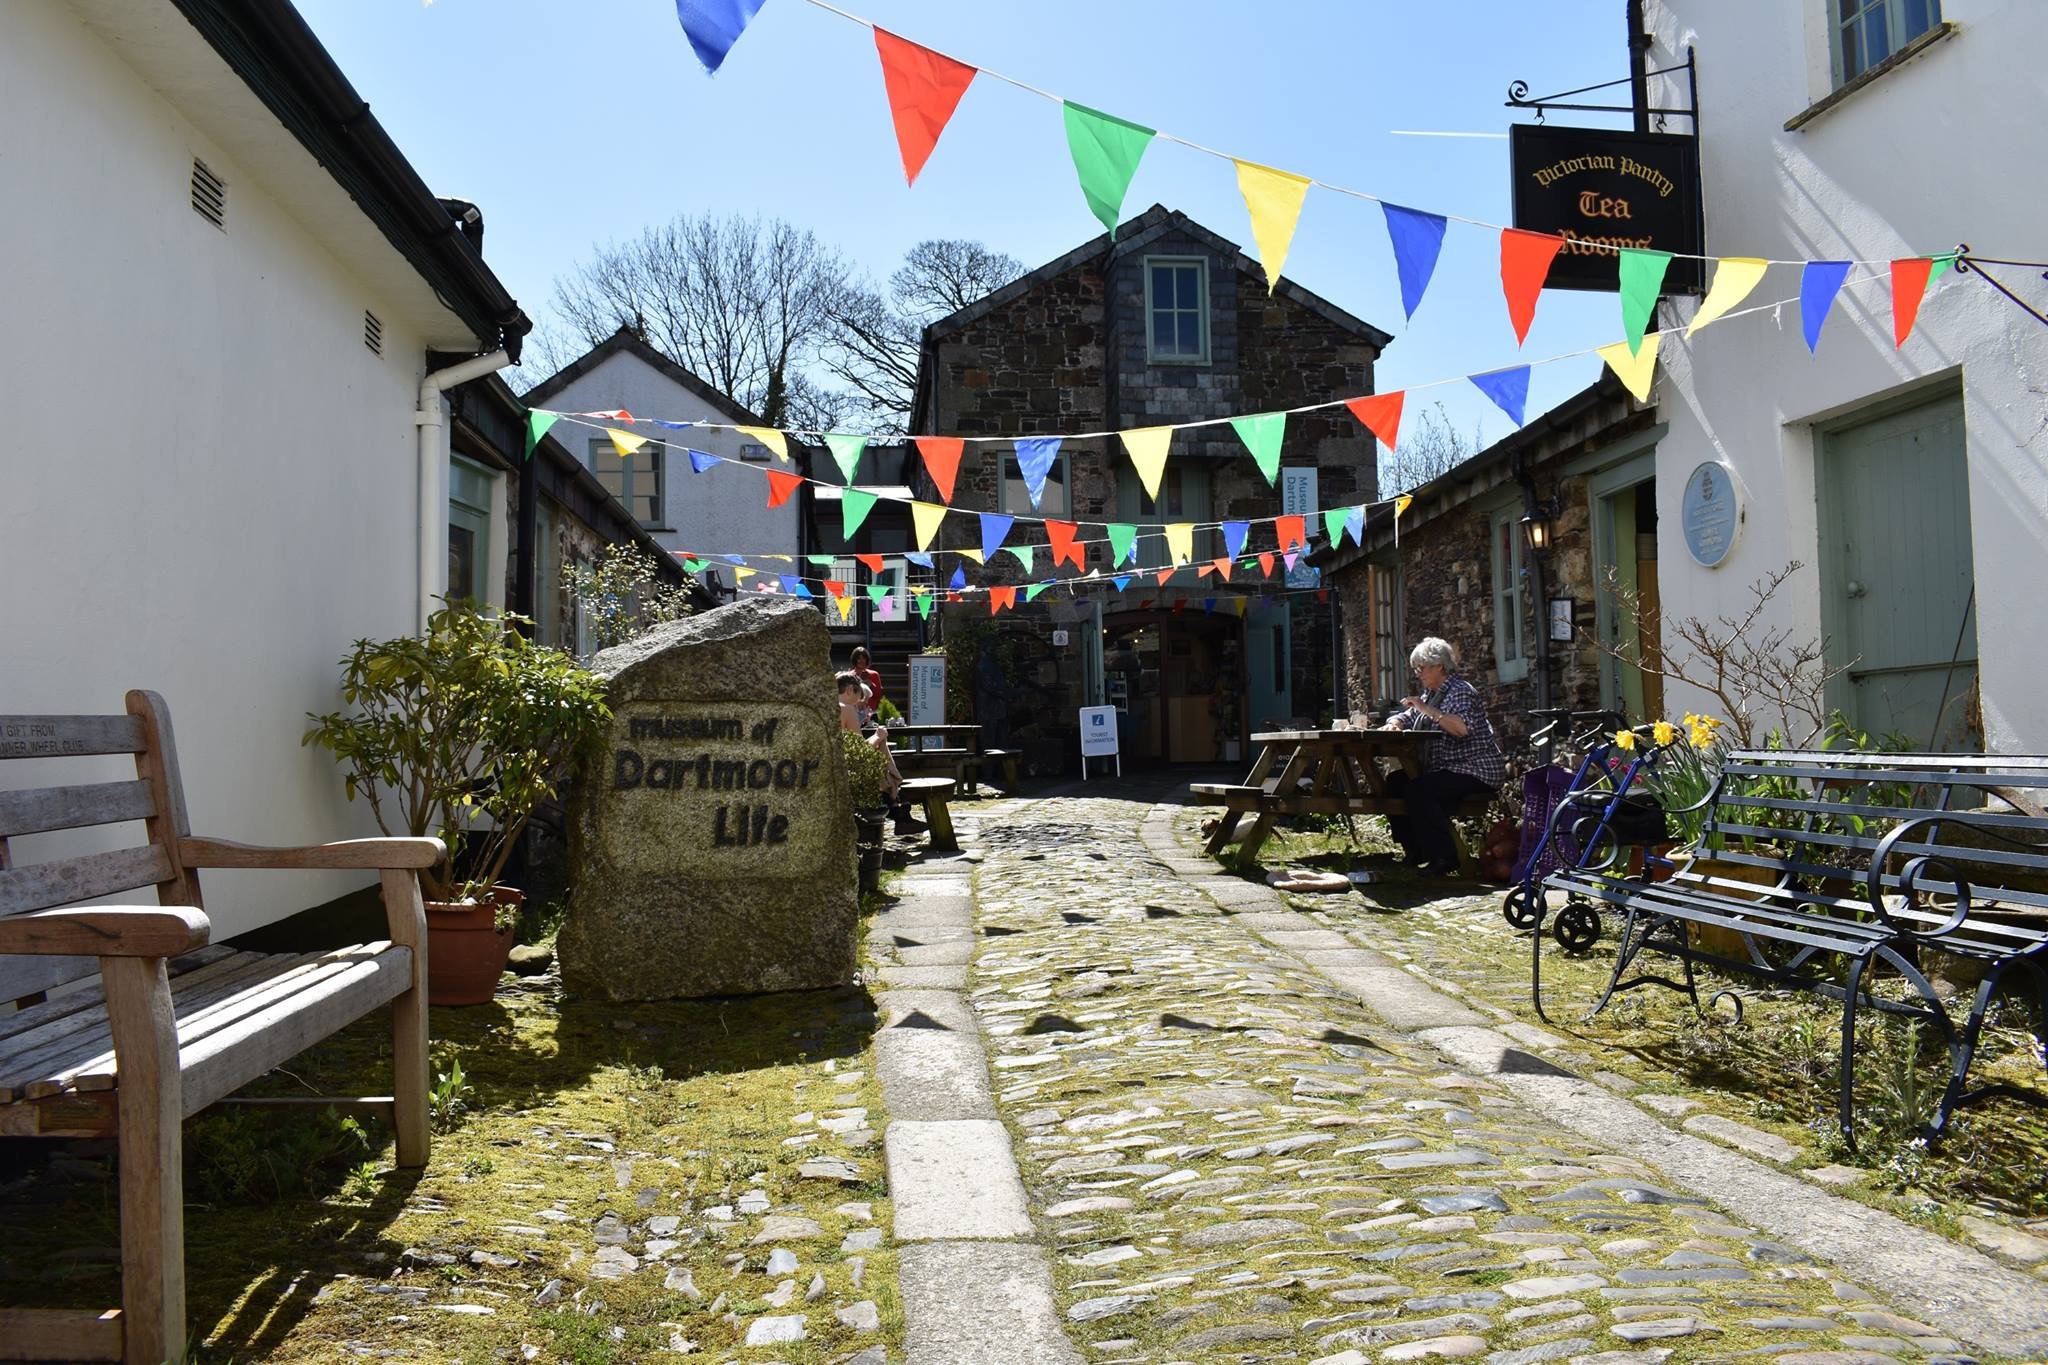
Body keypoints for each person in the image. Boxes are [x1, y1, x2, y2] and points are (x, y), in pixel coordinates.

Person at [1380, 637, 1504, 874]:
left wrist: (1427, 710)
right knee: (1395, 783)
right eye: (1416, 668)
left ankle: (1445, 858)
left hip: (1475, 769)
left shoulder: (1460, 692)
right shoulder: (1433, 694)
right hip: (1448, 769)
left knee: (1420, 791)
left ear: (1439, 666)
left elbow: (1461, 728)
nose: (1418, 673)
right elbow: (1410, 714)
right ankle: (1415, 851)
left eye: (1422, 667)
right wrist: (1394, 721)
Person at [838, 671, 920, 832]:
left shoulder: (829, 706)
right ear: (849, 690)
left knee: (880, 748)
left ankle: (898, 806)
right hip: (851, 770)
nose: (857, 703)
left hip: (839, 765)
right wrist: (878, 735)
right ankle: (898, 805)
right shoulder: (847, 709)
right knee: (881, 746)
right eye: (857, 698)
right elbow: (860, 751)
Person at [849, 646, 885, 721]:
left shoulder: (874, 674)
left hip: (870, 713)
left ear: (867, 659)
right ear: (855, 660)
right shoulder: (849, 676)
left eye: (863, 658)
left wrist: (870, 683)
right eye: (859, 658)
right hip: (853, 713)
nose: (861, 661)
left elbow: (878, 695)